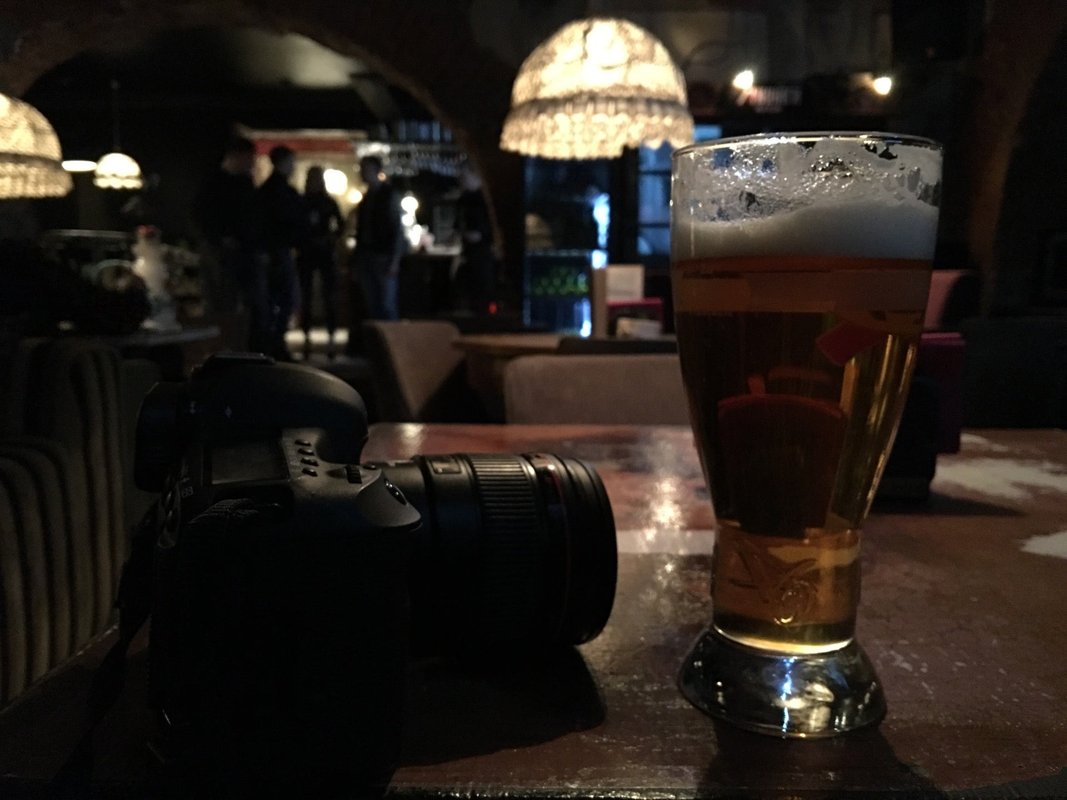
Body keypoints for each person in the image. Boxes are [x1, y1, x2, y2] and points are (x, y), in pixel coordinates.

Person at [194, 135, 270, 354]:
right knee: (223, 303)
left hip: (246, 253)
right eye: (249, 158)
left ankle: (249, 348)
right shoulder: (214, 183)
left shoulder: (244, 182)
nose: (252, 163)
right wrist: (221, 238)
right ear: (237, 156)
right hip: (224, 254)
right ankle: (225, 349)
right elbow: (202, 217)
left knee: (251, 305)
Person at [257, 145, 308, 360]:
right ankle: (275, 343)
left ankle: (273, 342)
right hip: (278, 251)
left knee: (278, 299)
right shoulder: (280, 192)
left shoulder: (269, 190)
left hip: (275, 250)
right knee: (284, 298)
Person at [349, 154, 406, 333]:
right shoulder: (367, 198)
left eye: (365, 169)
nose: (362, 173)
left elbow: (396, 229)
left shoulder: (387, 196)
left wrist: (395, 259)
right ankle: (380, 342)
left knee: (386, 304)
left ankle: (391, 342)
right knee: (374, 305)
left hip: (383, 256)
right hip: (369, 255)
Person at [298, 165, 344, 359]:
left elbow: (340, 225)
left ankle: (330, 334)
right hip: (307, 253)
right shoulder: (302, 202)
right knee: (306, 295)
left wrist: (330, 239)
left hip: (323, 253)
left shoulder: (327, 202)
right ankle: (306, 334)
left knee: (328, 295)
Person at [454, 162, 495, 315]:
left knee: (482, 292)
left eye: (464, 177)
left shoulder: (484, 199)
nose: (461, 181)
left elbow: (482, 231)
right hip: (468, 253)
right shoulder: (464, 199)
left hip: (482, 253)